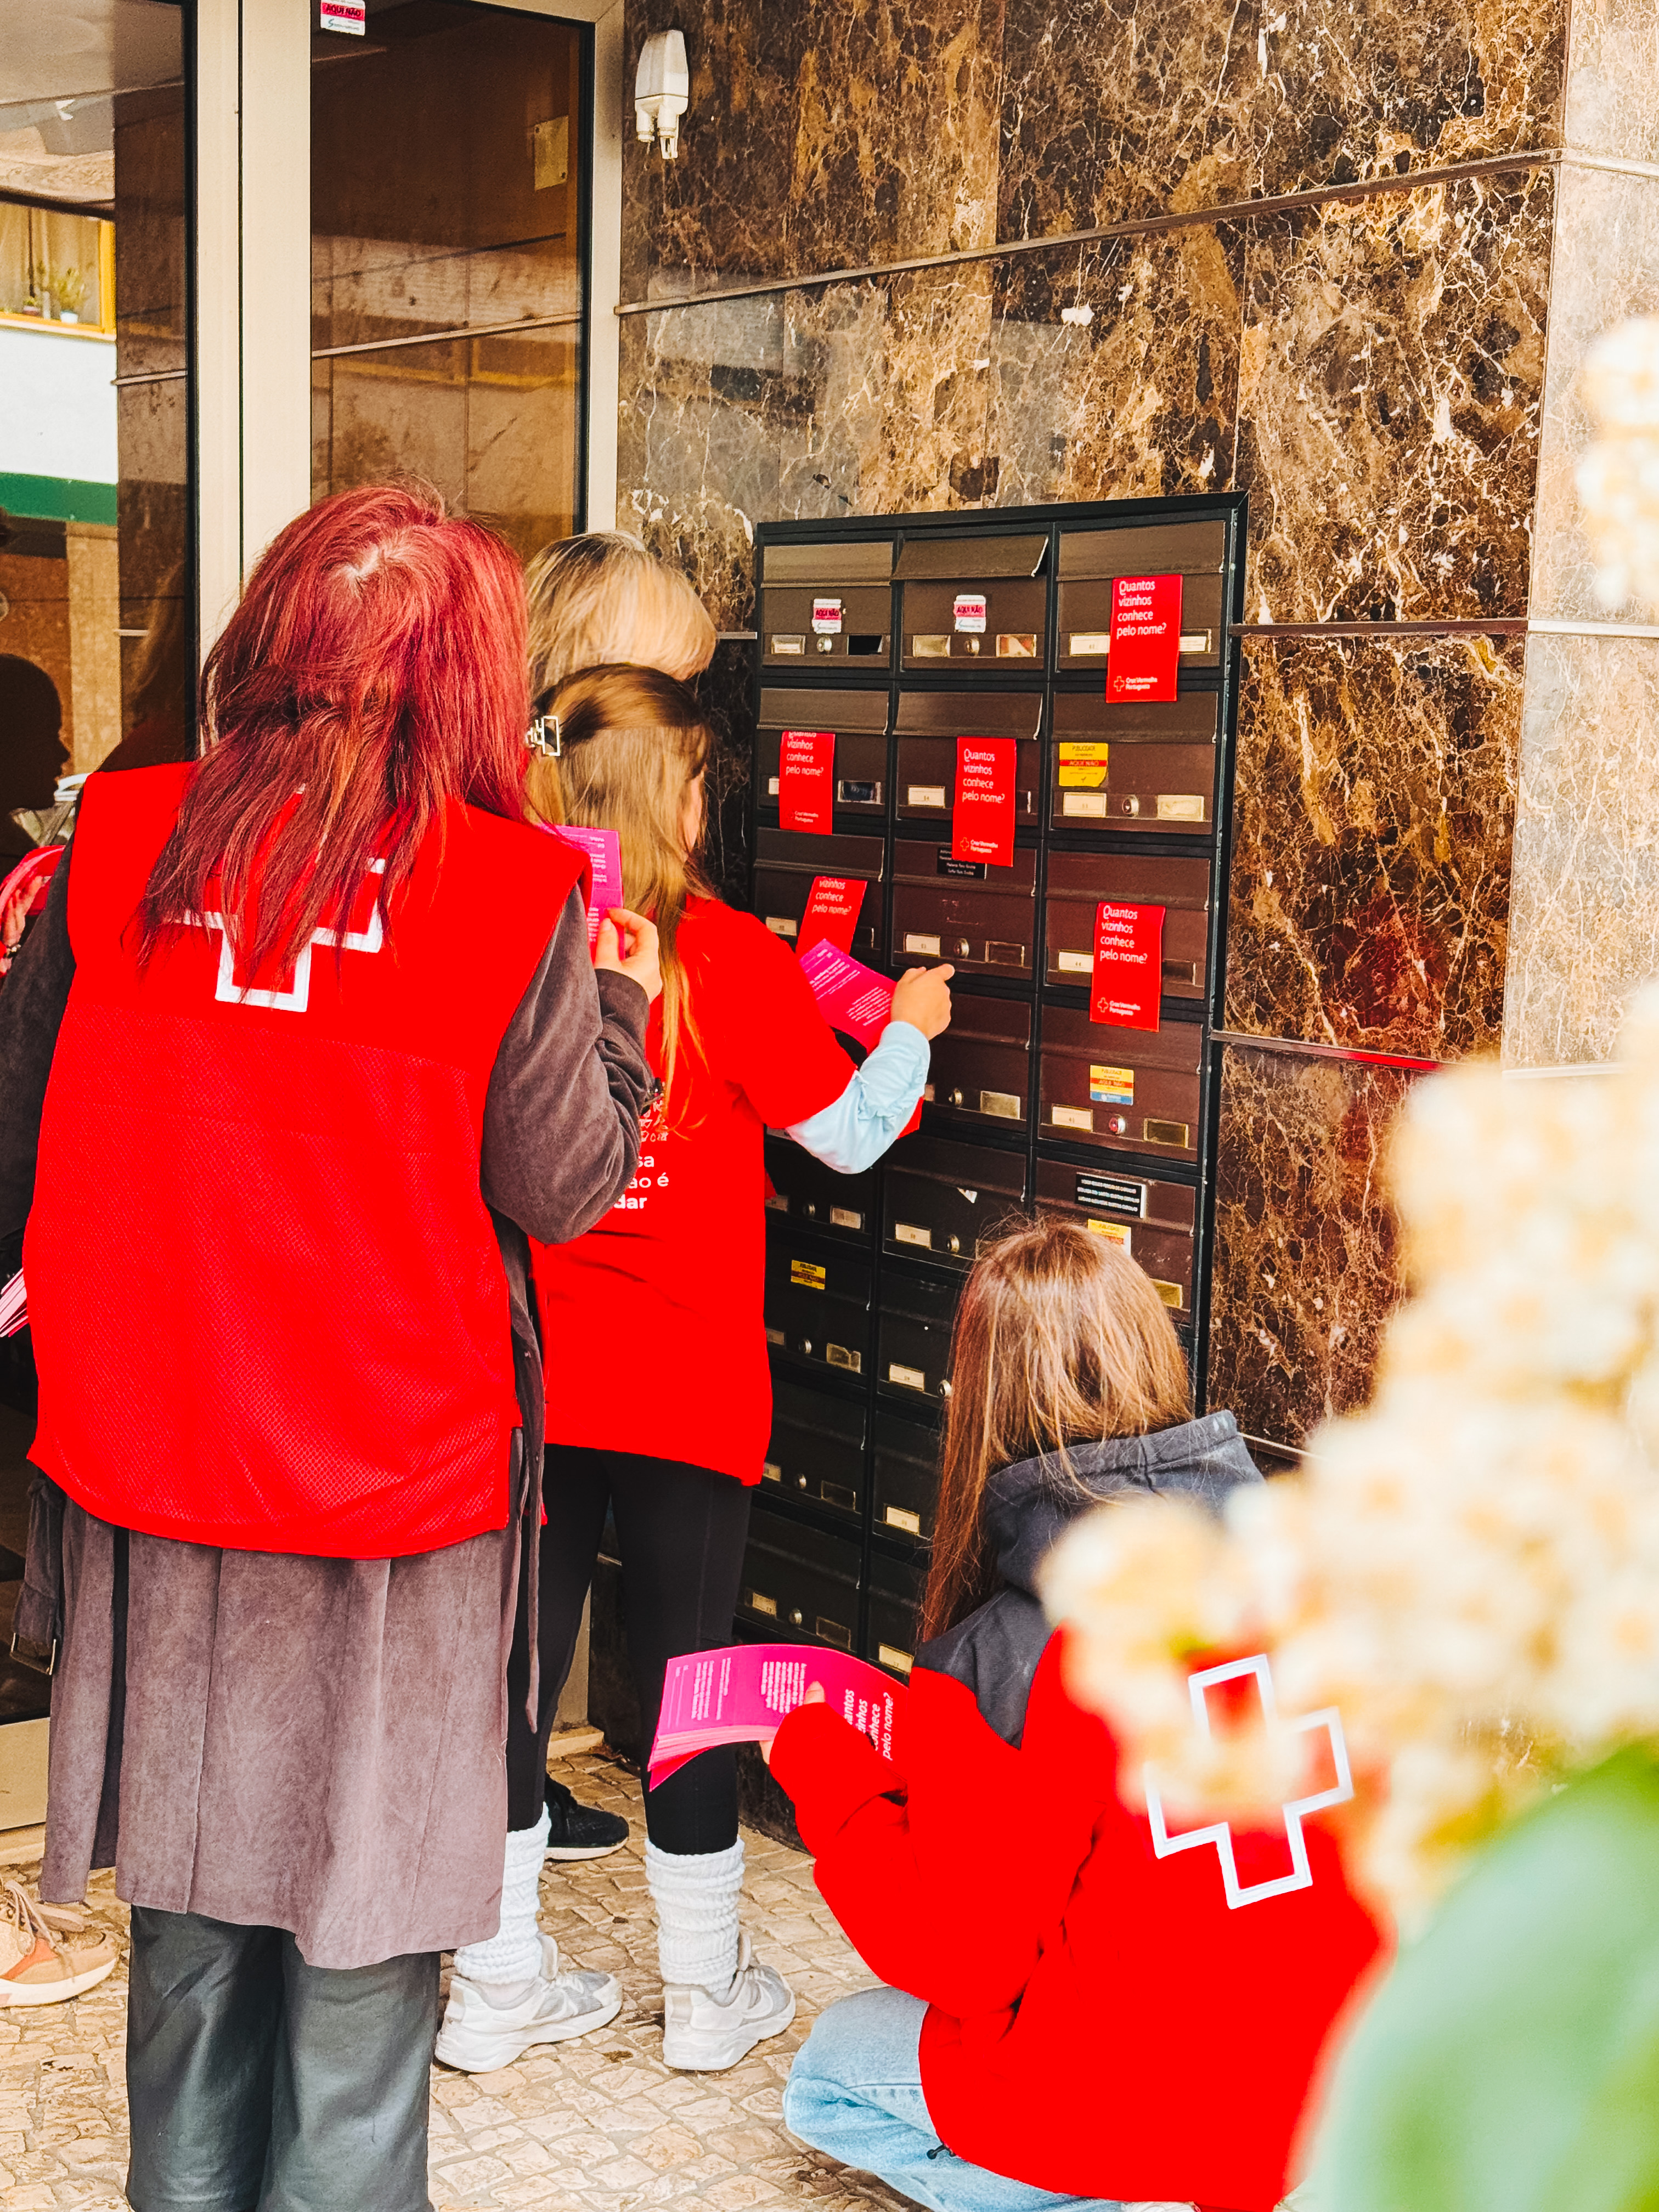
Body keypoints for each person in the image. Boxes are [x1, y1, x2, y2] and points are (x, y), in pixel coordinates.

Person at [0, 483, 661, 2208]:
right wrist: (624, 1008)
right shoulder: (506, 891)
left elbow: (21, 1137)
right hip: (392, 1500)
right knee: (361, 1964)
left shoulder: (116, 843)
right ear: (464, 681)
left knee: (191, 1940)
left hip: (156, 1476)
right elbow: (567, 1183)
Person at [436, 663, 954, 2075]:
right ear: (672, 795)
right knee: (689, 1681)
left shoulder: (508, 935)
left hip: (536, 1386)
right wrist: (910, 1029)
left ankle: (495, 1985)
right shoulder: (722, 955)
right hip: (688, 1391)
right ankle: (706, 1992)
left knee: (517, 1675)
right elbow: (849, 1135)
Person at [765, 1217, 1387, 2212]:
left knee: (830, 2075)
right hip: (1335, 2103)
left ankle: (1129, 2193)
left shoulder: (1015, 1649)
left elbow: (963, 1961)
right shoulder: (1308, 1577)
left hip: (1147, 2103)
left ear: (980, 1401)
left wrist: (824, 1772)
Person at [512, 528, 718, 1867]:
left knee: (530, 1591)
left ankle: (502, 1830)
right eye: (671, 685)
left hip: (551, 1345)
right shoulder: (581, 899)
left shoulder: (523, 858)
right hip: (592, 1342)